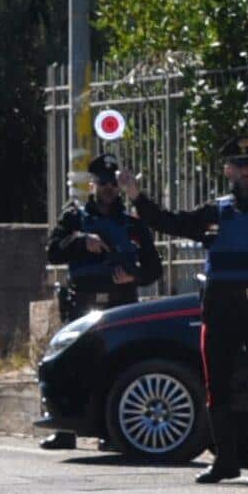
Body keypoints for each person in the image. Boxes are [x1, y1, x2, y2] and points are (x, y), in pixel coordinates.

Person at [122, 136, 248, 487]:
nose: (245, 171)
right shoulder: (214, 212)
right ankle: (225, 461)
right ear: (227, 170)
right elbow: (171, 222)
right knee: (217, 385)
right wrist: (137, 197)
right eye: (238, 165)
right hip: (220, 309)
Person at [41, 155, 162, 449]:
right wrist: (81, 241)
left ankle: (112, 433)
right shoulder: (73, 218)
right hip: (82, 305)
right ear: (92, 185)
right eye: (103, 182)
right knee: (71, 364)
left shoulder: (133, 225)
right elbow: (53, 252)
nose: (108, 188)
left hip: (120, 306)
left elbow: (154, 269)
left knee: (117, 367)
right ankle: (65, 428)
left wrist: (133, 275)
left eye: (113, 183)